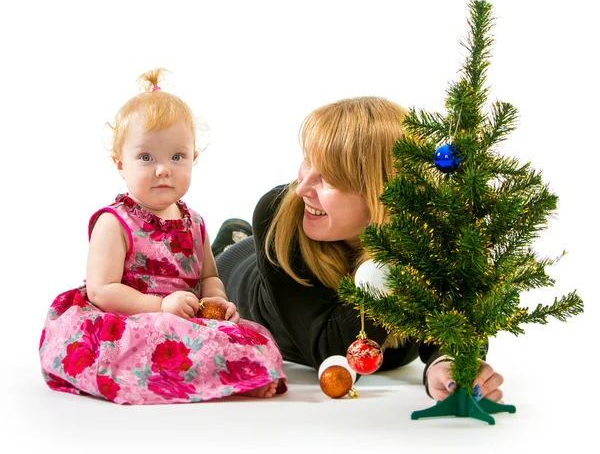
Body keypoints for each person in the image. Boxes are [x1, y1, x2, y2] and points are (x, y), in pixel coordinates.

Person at [214, 96, 504, 403]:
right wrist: (390, 261)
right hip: (241, 274)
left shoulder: (433, 232)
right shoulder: (279, 212)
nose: (302, 189)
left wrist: (445, 363)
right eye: (308, 161)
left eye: (328, 177)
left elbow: (454, 319)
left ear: (381, 194)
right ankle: (232, 236)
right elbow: (334, 351)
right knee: (213, 264)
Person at [39, 68, 286, 404]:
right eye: (145, 157)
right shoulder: (115, 222)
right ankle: (220, 379)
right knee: (141, 345)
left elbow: (208, 275)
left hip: (183, 318)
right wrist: (159, 306)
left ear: (193, 159)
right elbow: (101, 290)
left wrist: (215, 299)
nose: (163, 169)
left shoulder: (194, 222)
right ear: (119, 164)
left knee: (250, 338)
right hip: (130, 317)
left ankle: (240, 378)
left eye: (177, 156)